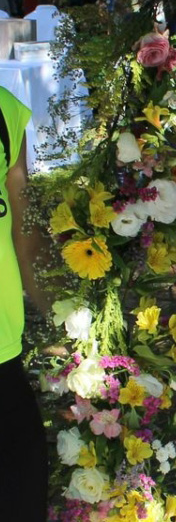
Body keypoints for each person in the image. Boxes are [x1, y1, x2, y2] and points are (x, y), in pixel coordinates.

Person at [0, 86, 49, 521]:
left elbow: (23, 224)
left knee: (23, 494)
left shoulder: (5, 109)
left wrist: (55, 307)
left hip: (3, 347)